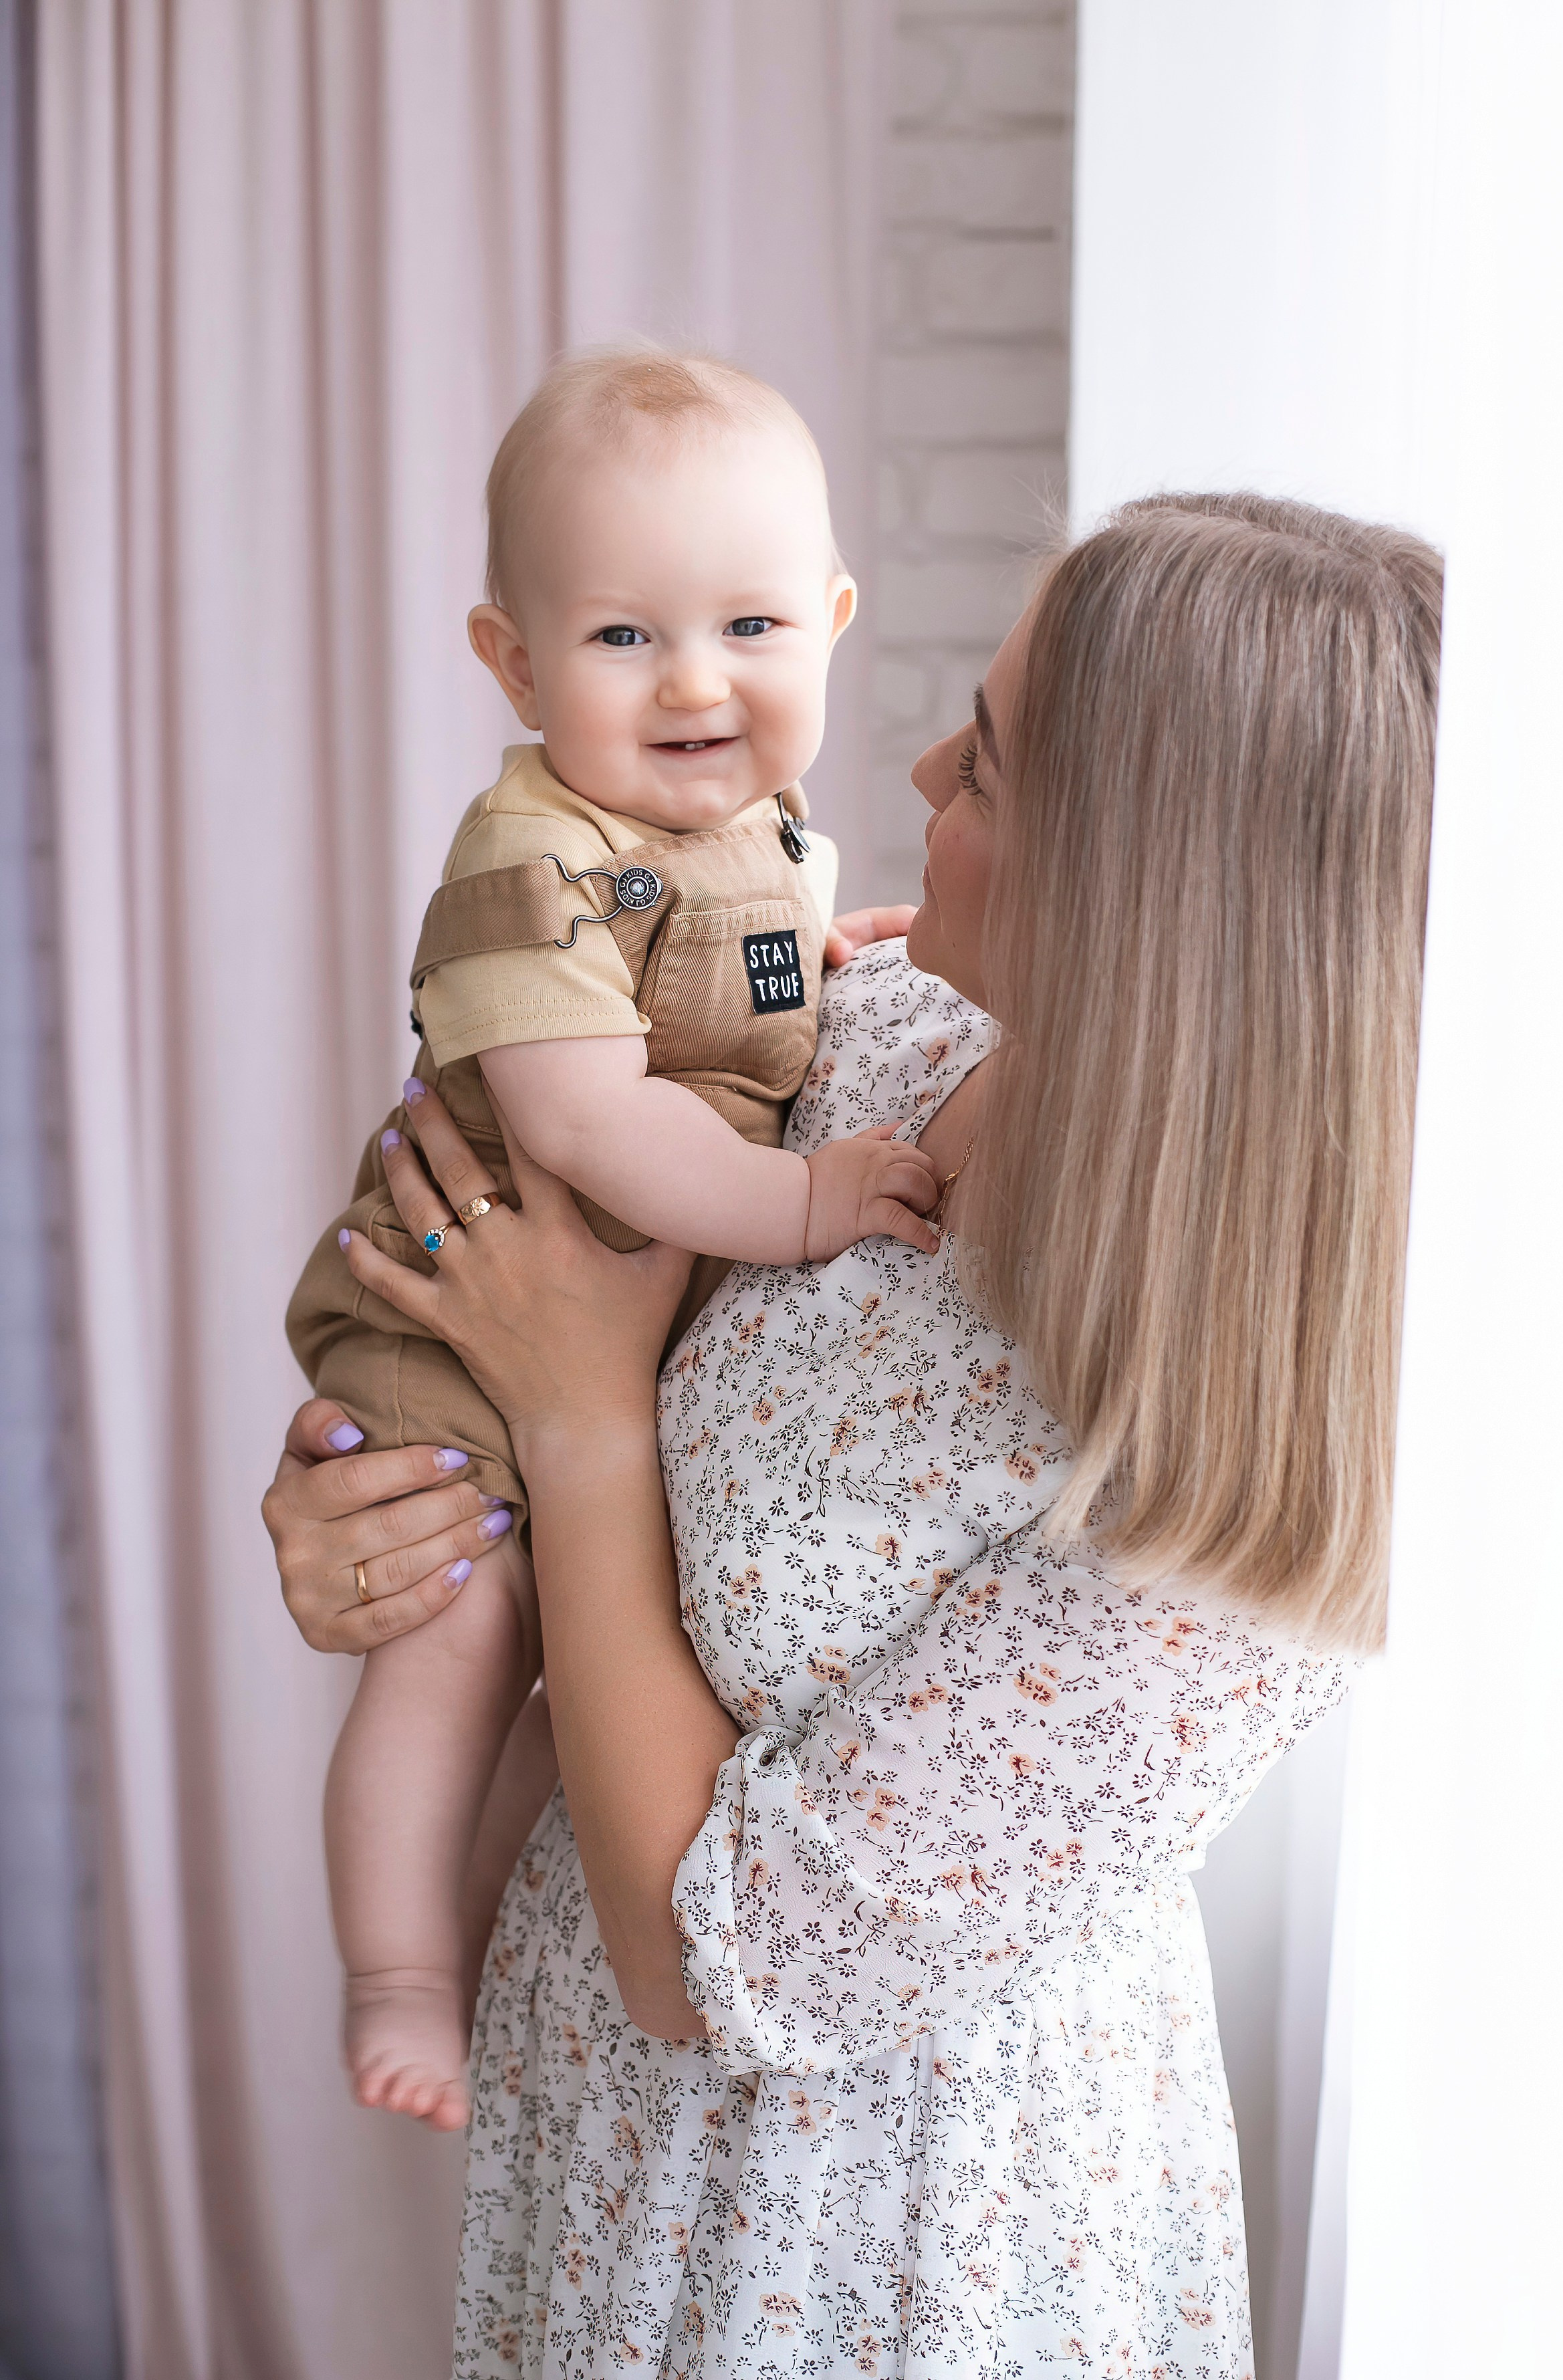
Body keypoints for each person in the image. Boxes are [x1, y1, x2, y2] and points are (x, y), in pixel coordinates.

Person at [265, 493, 1442, 2376]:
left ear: (1150, 898)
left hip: (890, 2256)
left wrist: (573, 1428)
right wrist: (379, 1490)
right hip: (608, 2161)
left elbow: (709, 1956)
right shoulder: (877, 1037)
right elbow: (491, 1293)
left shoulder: (1219, 1505)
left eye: (985, 762)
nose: (909, 769)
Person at [285, 348, 942, 2132]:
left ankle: (485, 1940)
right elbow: (585, 1116)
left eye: (748, 626)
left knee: (559, 1680)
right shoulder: (536, 852)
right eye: (622, 640)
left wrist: (847, 970)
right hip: (461, 1307)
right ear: (511, 659)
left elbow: (752, 1009)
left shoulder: (773, 841)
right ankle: (398, 1966)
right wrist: (809, 1200)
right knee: (458, 1628)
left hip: (603, 1329)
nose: (696, 684)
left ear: (831, 618)